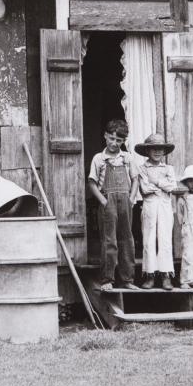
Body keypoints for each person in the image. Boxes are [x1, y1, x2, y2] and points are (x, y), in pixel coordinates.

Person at [87, 119, 140, 292]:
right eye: (111, 138)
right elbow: (92, 184)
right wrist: (103, 201)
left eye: (118, 140)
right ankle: (107, 279)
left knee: (127, 239)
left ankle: (127, 279)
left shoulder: (127, 158)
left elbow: (135, 180)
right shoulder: (99, 159)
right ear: (105, 136)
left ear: (124, 141)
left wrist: (131, 199)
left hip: (125, 201)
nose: (114, 143)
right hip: (107, 201)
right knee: (109, 240)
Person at [135, 133, 179, 290]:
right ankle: (150, 275)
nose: (157, 152)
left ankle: (166, 275)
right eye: (153, 149)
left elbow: (172, 187)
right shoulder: (142, 168)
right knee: (148, 240)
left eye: (160, 149)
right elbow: (145, 189)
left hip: (165, 206)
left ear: (164, 151)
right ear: (147, 151)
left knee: (165, 239)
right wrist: (162, 185)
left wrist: (157, 182)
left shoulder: (168, 168)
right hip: (149, 205)